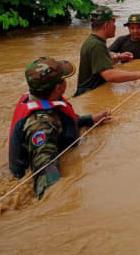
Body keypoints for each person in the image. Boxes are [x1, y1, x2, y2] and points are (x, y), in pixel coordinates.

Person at [9, 57, 112, 198]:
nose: (66, 83)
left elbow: (63, 121)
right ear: (59, 87)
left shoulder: (41, 97)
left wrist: (90, 119)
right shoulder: (41, 126)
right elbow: (45, 177)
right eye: (64, 80)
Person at [74, 6, 140, 97]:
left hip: (89, 93)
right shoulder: (96, 45)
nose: (115, 26)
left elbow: (101, 58)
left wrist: (117, 57)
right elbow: (109, 75)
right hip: (88, 93)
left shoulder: (94, 41)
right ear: (106, 25)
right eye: (113, 23)